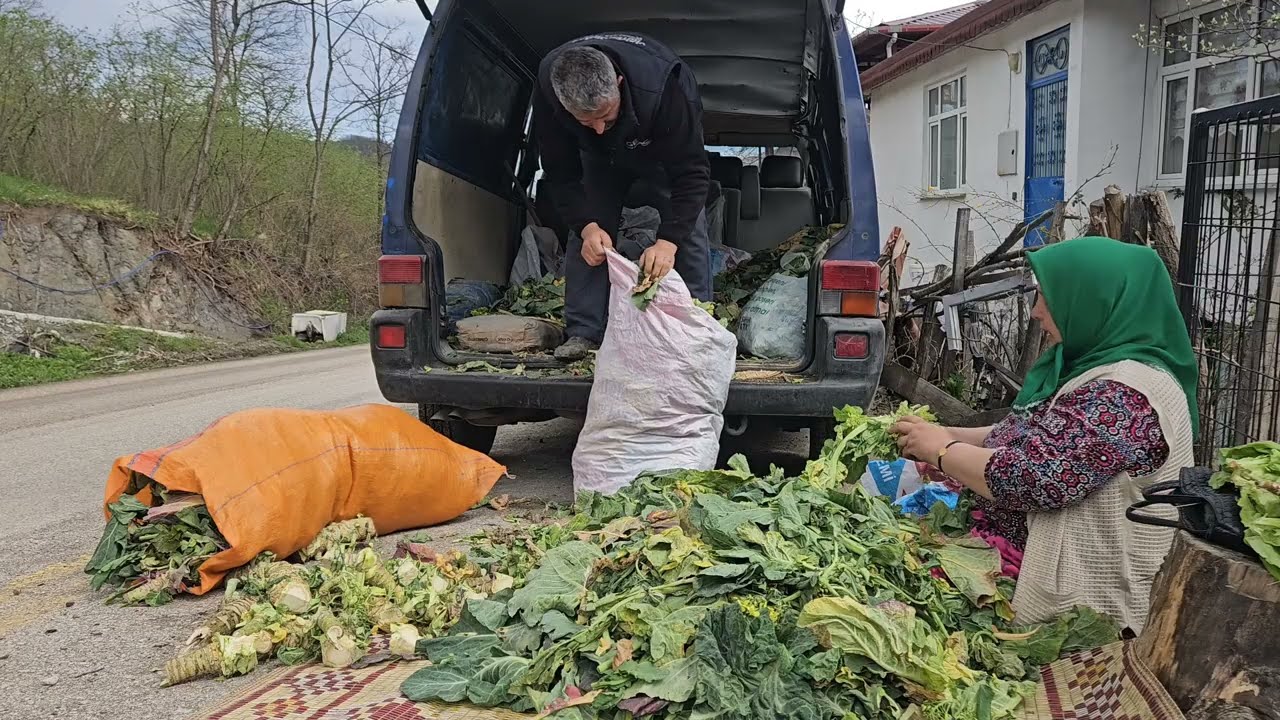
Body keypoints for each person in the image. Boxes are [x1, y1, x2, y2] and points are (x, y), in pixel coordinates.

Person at [891, 236, 1198, 635]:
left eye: (1046, 298)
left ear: (1094, 300)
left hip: (1087, 609)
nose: (1036, 312)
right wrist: (948, 433)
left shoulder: (1125, 394)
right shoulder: (1097, 365)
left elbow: (1035, 478)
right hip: (1028, 564)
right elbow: (1028, 432)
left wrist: (942, 451)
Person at [533, 33, 712, 361]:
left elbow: (693, 174)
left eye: (606, 115)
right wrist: (586, 226)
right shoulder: (549, 88)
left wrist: (667, 242)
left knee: (689, 229)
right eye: (586, 121)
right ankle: (583, 331)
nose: (599, 127)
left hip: (660, 150)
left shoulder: (665, 87)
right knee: (589, 236)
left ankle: (695, 325)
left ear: (618, 82)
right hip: (598, 160)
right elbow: (561, 173)